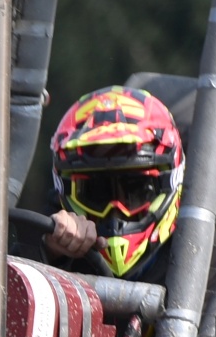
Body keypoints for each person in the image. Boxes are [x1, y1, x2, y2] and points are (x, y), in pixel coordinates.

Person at [40, 84, 183, 287]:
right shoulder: (49, 238)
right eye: (97, 192)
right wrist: (49, 251)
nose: (116, 214)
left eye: (136, 189)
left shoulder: (203, 255)